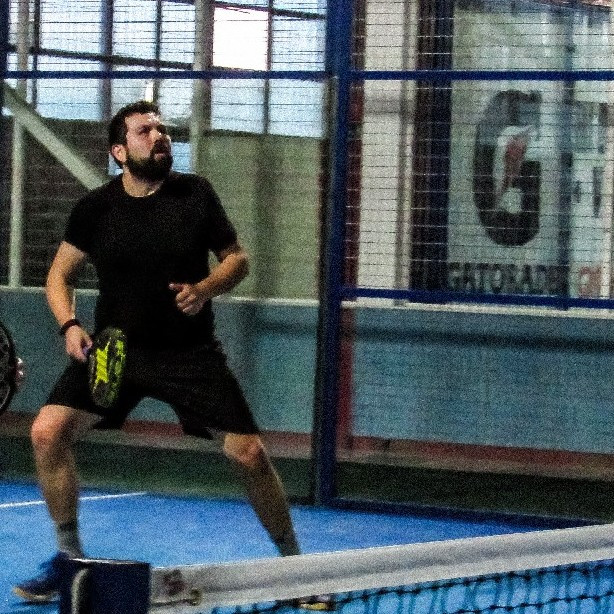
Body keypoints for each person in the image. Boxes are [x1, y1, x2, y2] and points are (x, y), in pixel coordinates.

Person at [14, 100, 302, 603]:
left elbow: (237, 259)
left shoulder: (195, 194)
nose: (159, 136)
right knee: (46, 431)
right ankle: (69, 559)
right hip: (115, 352)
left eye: (162, 129)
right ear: (119, 151)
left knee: (250, 454)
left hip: (188, 354)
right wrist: (69, 325)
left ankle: (296, 567)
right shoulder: (96, 208)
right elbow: (59, 276)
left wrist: (206, 288)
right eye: (145, 130)